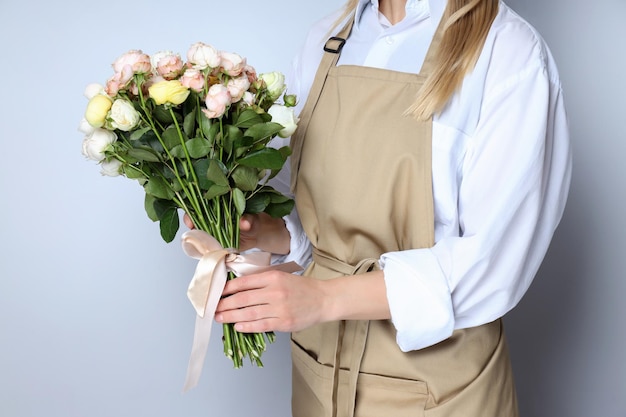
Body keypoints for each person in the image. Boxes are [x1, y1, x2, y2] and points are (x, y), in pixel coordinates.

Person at [194, 0, 572, 415]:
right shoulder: (327, 39)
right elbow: (323, 224)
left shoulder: (506, 51)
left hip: (436, 389)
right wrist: (274, 234)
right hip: (318, 372)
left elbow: (494, 262)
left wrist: (323, 298)